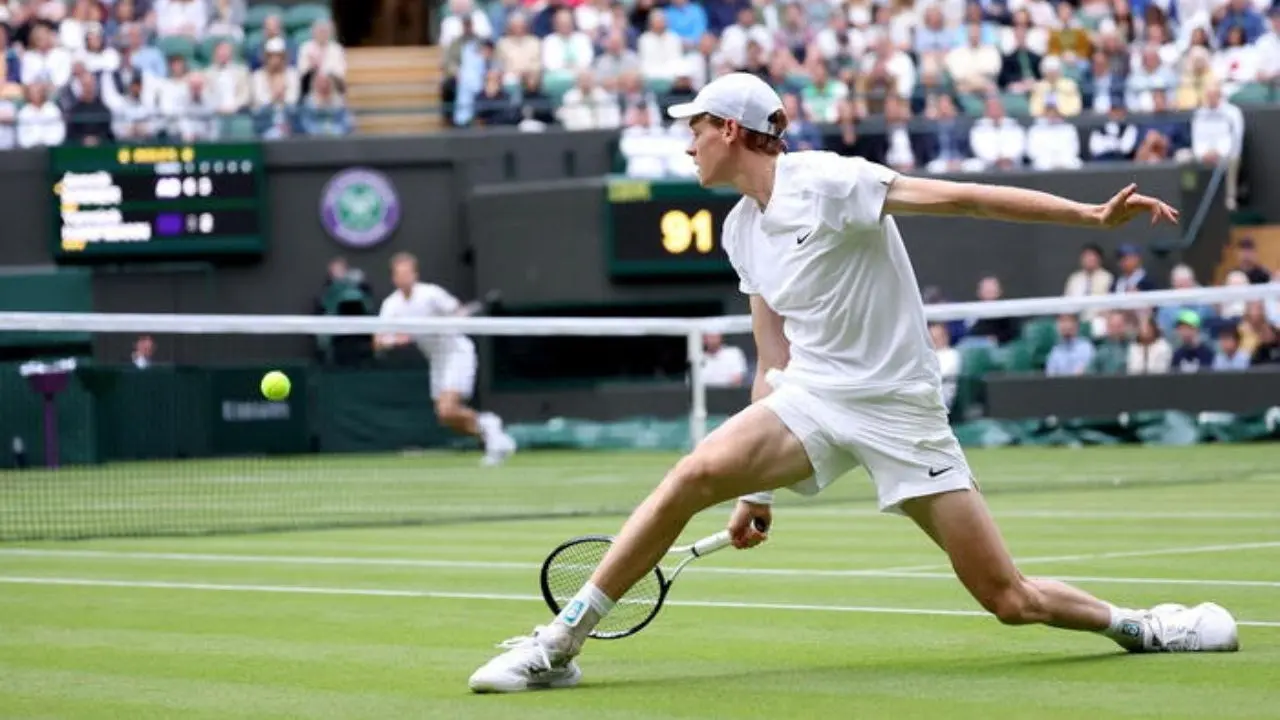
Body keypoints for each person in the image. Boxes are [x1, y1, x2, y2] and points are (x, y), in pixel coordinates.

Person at [467, 73, 1239, 693]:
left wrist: (1088, 217)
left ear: (730, 130)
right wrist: (755, 492)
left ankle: (1142, 625)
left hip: (901, 410)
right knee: (693, 471)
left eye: (694, 128)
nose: (687, 145)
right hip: (814, 397)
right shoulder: (740, 229)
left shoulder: (832, 182)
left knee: (1007, 598)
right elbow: (771, 358)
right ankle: (560, 642)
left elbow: (962, 196)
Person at [374, 252, 516, 466]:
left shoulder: (431, 294)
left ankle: (490, 430)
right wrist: (395, 340)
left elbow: (459, 312)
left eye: (408, 273)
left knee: (447, 409)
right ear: (394, 278)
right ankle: (492, 434)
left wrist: (441, 325)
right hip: (437, 360)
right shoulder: (391, 305)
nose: (404, 278)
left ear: (415, 274)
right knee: (446, 417)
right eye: (399, 274)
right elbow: (378, 341)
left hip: (457, 352)